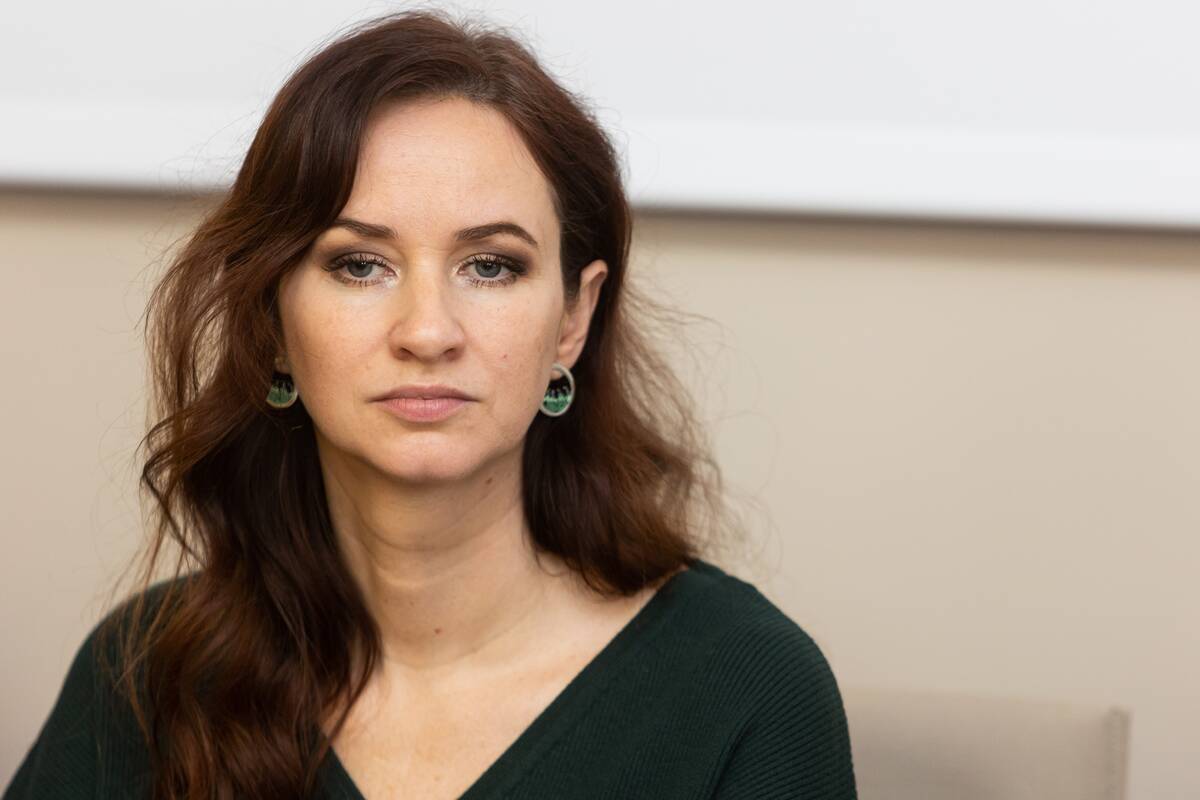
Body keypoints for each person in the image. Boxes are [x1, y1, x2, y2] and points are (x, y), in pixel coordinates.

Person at [3, 8, 857, 799]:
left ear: (573, 319)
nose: (427, 331)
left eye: (490, 266)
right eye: (359, 265)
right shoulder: (147, 676)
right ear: (270, 322)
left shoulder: (749, 690)